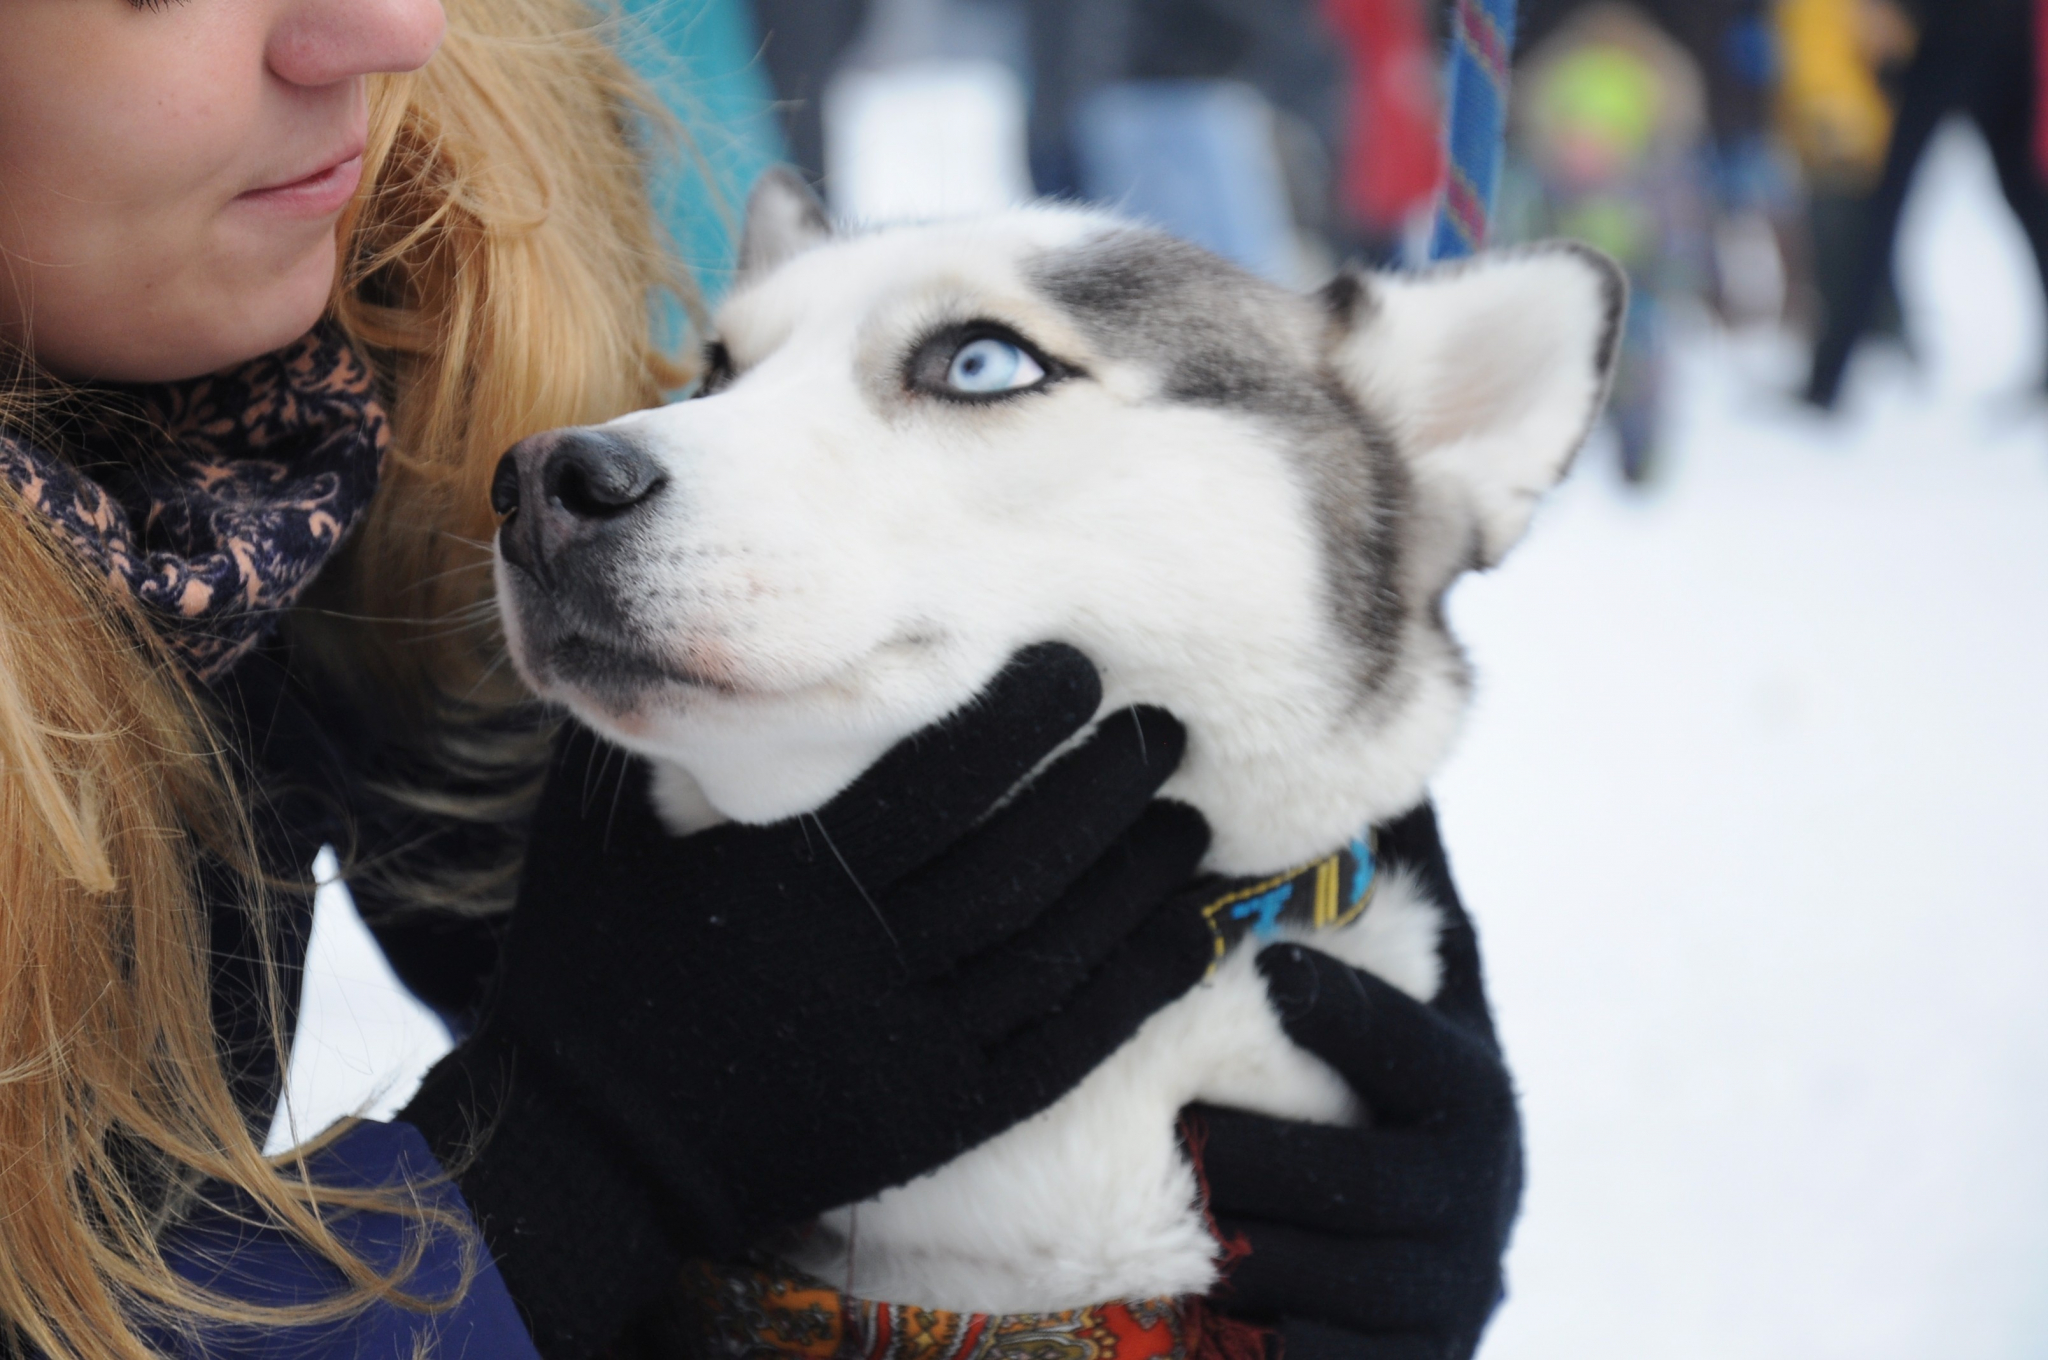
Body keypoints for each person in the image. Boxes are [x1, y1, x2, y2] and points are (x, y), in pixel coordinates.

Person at [0, 2, 1521, 1358]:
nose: (387, 27)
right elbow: (659, 1045)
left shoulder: (315, 379)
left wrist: (1298, 865)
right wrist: (571, 1167)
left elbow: (611, 905)